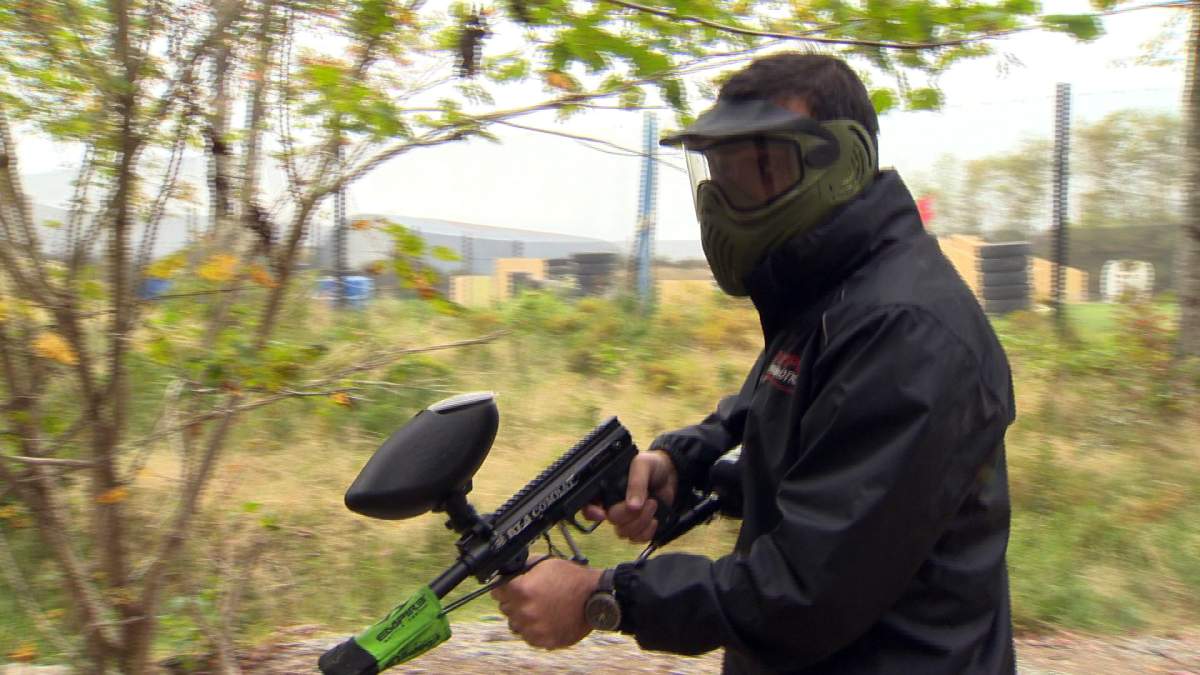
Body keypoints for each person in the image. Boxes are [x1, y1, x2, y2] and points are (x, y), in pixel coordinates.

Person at [492, 52, 1016, 674]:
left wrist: (602, 598)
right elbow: (783, 432)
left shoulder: (906, 330)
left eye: (762, 168)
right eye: (722, 172)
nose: (730, 202)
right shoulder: (832, 294)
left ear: (844, 164)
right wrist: (681, 467)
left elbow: (806, 591)